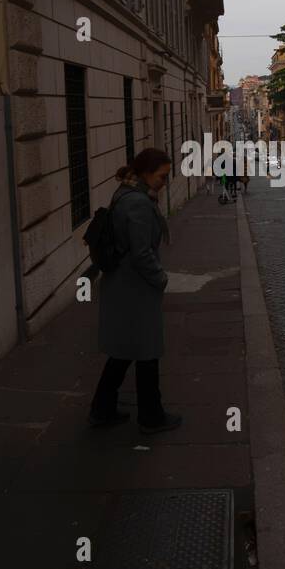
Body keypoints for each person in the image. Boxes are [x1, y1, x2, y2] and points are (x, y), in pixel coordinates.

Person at [89, 149, 182, 435]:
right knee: (146, 352)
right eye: (161, 176)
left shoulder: (125, 192)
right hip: (135, 288)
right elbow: (142, 253)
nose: (164, 182)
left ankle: (102, 409)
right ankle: (151, 417)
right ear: (145, 173)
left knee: (124, 351)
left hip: (123, 285)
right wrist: (161, 279)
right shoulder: (138, 203)